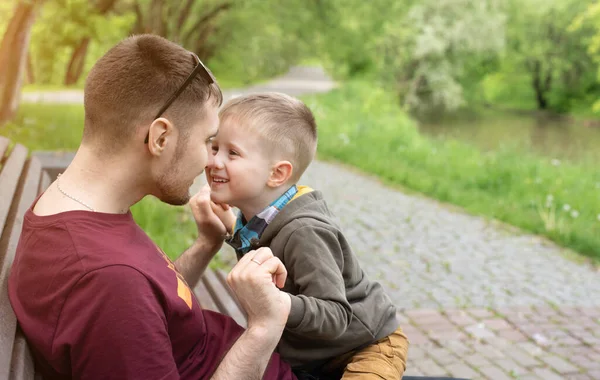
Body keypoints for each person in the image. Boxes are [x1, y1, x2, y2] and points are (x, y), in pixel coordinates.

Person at [8, 34, 297, 380]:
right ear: (160, 138)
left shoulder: (74, 208)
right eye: (207, 141)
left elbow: (154, 303)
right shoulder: (106, 281)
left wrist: (206, 244)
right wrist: (264, 327)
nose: (209, 160)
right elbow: (126, 295)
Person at [206, 92, 409, 379]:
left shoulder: (304, 231)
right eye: (213, 147)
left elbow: (336, 315)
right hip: (313, 355)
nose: (214, 161)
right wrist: (228, 229)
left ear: (277, 174)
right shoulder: (255, 218)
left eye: (232, 153)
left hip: (366, 345)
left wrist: (278, 304)